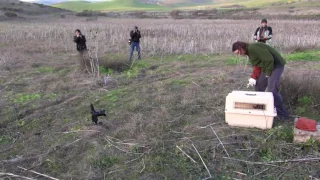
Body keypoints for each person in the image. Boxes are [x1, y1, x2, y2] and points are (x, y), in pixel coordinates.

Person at [232, 41, 290, 120]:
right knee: (259, 84)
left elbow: (269, 59)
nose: (240, 54)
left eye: (238, 52)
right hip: (267, 66)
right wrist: (253, 77)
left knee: (272, 90)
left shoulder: (253, 47)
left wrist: (268, 73)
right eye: (237, 54)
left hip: (276, 65)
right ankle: (261, 107)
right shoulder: (249, 52)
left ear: (241, 47)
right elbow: (257, 65)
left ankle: (282, 114)